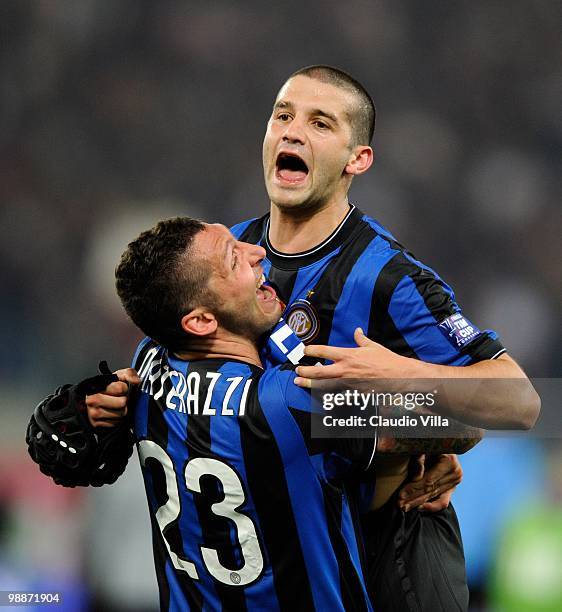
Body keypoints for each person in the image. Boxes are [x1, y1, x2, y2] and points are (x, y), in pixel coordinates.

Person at [85, 65, 539, 611]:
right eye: (283, 115)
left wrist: (406, 381)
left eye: (321, 123)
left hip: (389, 547)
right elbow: (177, 359)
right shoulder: (234, 253)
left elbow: (518, 401)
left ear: (358, 159)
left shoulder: (388, 279)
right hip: (276, 544)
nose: (293, 131)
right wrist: (111, 399)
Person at [114, 216, 483, 610]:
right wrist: (405, 398)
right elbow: (461, 423)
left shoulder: (147, 366)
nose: (257, 252)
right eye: (234, 258)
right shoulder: (290, 405)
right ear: (202, 321)